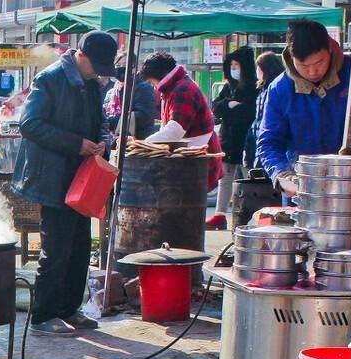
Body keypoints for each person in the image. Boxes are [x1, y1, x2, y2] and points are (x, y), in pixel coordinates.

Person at [13, 31, 116, 337]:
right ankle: (44, 315)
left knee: (81, 247)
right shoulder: (50, 79)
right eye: (95, 65)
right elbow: (29, 124)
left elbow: (102, 122)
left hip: (83, 177)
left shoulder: (93, 83)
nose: (98, 72)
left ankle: (70, 309)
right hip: (53, 178)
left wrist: (102, 142)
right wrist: (76, 144)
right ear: (80, 55)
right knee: (56, 248)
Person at [257, 19, 351, 198]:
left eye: (319, 62)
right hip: (302, 192)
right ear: (290, 57)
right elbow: (269, 142)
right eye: (304, 66)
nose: (312, 72)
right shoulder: (279, 89)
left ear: (329, 49)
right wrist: (282, 174)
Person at [139, 52, 225, 192]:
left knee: (188, 209)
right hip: (189, 162)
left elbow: (175, 130)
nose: (153, 86)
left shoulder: (183, 89)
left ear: (160, 75)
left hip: (198, 161)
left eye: (152, 81)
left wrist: (145, 144)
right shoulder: (172, 88)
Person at [207, 47, 257, 230]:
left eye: (237, 65)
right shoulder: (229, 87)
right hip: (228, 138)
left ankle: (250, 215)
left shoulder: (254, 87)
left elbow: (249, 111)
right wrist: (229, 104)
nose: (234, 69)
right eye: (232, 65)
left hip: (247, 139)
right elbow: (216, 106)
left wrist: (230, 108)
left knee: (248, 177)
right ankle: (220, 214)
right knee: (226, 176)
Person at [104, 51, 158, 139]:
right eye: (118, 65)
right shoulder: (111, 92)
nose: (121, 67)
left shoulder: (143, 88)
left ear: (134, 68)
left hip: (137, 140)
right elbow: (104, 113)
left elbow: (143, 116)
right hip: (112, 140)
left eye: (125, 64)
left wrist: (111, 122)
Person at [245, 52, 285, 170]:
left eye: (259, 67)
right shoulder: (263, 89)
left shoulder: (273, 89)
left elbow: (262, 120)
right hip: (260, 145)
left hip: (268, 146)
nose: (257, 71)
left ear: (266, 69)